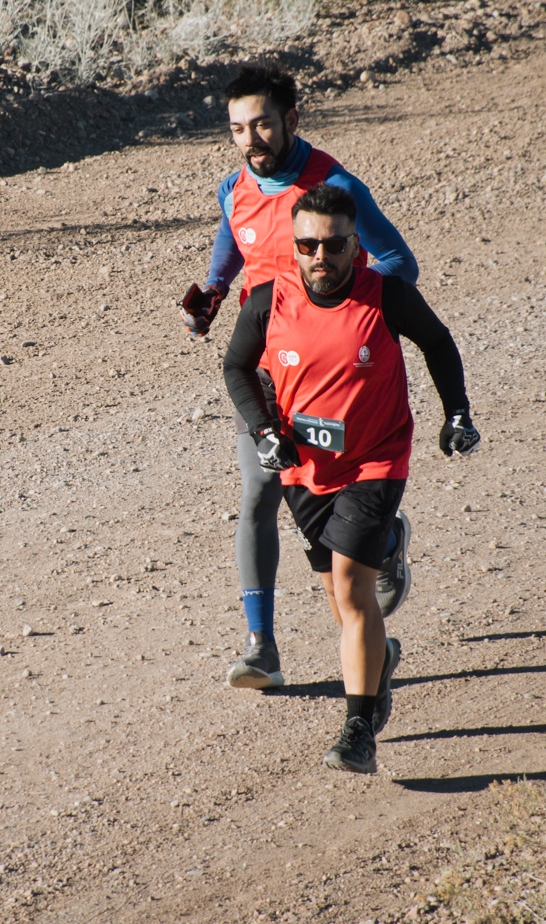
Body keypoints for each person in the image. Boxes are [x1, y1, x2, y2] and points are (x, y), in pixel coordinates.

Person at [178, 60, 420, 691]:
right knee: (260, 493)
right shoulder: (235, 189)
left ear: (291, 119)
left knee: (334, 503)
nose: (249, 139)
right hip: (265, 371)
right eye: (236, 128)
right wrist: (212, 293)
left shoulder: (333, 183)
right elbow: (232, 247)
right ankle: (262, 647)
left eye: (261, 124)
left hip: (337, 374)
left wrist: (362, 323)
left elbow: (397, 260)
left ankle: (380, 553)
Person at [221, 183, 480, 774]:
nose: (320, 257)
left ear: (354, 244)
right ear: (294, 246)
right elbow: (237, 365)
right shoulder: (268, 300)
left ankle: (359, 725)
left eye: (333, 245)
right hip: (304, 468)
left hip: (376, 461)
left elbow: (438, 343)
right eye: (308, 245)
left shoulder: (385, 295)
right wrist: (263, 431)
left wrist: (456, 413)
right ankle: (380, 634)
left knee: (353, 585)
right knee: (340, 596)